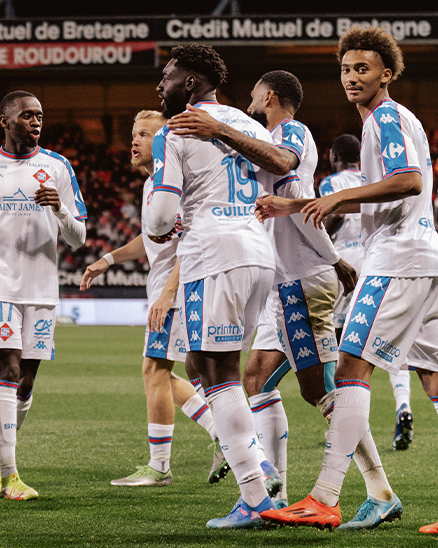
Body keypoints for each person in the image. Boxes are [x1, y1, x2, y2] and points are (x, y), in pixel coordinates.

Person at [257, 26, 438, 536]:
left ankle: (324, 497)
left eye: (362, 69)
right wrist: (295, 205)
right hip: (427, 260)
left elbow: (408, 180)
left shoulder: (384, 116)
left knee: (351, 366)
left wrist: (337, 198)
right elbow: (393, 188)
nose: (352, 77)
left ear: (387, 73)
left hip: (397, 260)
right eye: (345, 69)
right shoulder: (398, 119)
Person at [167, 70, 399, 529]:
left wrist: (332, 259)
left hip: (302, 278)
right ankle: (271, 493)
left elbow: (296, 194)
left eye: (254, 95)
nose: (248, 101)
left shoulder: (287, 132)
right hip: (284, 279)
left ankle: (379, 489)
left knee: (320, 389)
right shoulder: (259, 140)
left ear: (269, 96)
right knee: (253, 380)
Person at [144, 44, 285, 529]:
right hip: (256, 253)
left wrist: (160, 230)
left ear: (189, 83)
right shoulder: (250, 123)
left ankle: (254, 492)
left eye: (166, 77)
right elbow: (282, 162)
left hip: (213, 254)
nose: (159, 85)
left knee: (218, 371)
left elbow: (162, 214)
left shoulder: (175, 129)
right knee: (200, 362)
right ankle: (257, 468)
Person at [0, 90, 87, 501]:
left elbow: (78, 239)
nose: (36, 122)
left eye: (40, 115)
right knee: (6, 372)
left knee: (25, 383)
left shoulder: (57, 166)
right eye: (27, 116)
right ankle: (11, 475)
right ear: (5, 120)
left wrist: (60, 210)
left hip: (42, 290)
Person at [80, 110, 225, 487]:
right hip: (168, 288)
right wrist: (107, 260)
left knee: (154, 370)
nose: (135, 140)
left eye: (145, 134)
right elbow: (151, 242)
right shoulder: (152, 186)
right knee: (170, 372)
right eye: (134, 133)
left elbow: (188, 245)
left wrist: (168, 292)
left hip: (177, 289)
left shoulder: (174, 183)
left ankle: (160, 466)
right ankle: (222, 432)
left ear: (164, 142)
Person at [319, 134, 414, 452]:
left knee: (337, 343)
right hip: (377, 261)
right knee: (388, 343)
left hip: (344, 264)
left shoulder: (331, 185)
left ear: (333, 157)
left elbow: (330, 222)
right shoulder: (375, 181)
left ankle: (349, 420)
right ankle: (403, 404)